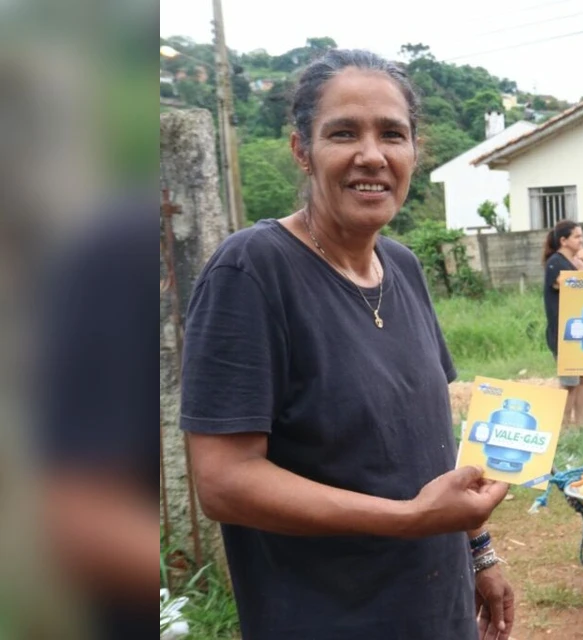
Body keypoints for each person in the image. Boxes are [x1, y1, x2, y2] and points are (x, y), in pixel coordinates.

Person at [180, 50, 514, 640]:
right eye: (343, 133)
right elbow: (225, 481)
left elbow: (426, 444)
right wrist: (410, 520)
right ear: (301, 152)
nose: (372, 155)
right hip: (328, 617)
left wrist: (478, 550)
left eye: (392, 134)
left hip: (436, 612)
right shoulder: (252, 271)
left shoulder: (403, 267)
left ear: (414, 151)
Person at [543, 219, 583, 426]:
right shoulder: (555, 263)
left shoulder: (572, 263)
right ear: (563, 240)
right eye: (577, 236)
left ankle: (581, 422)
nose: (581, 241)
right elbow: (577, 287)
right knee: (569, 383)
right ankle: (566, 425)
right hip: (563, 334)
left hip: (579, 331)